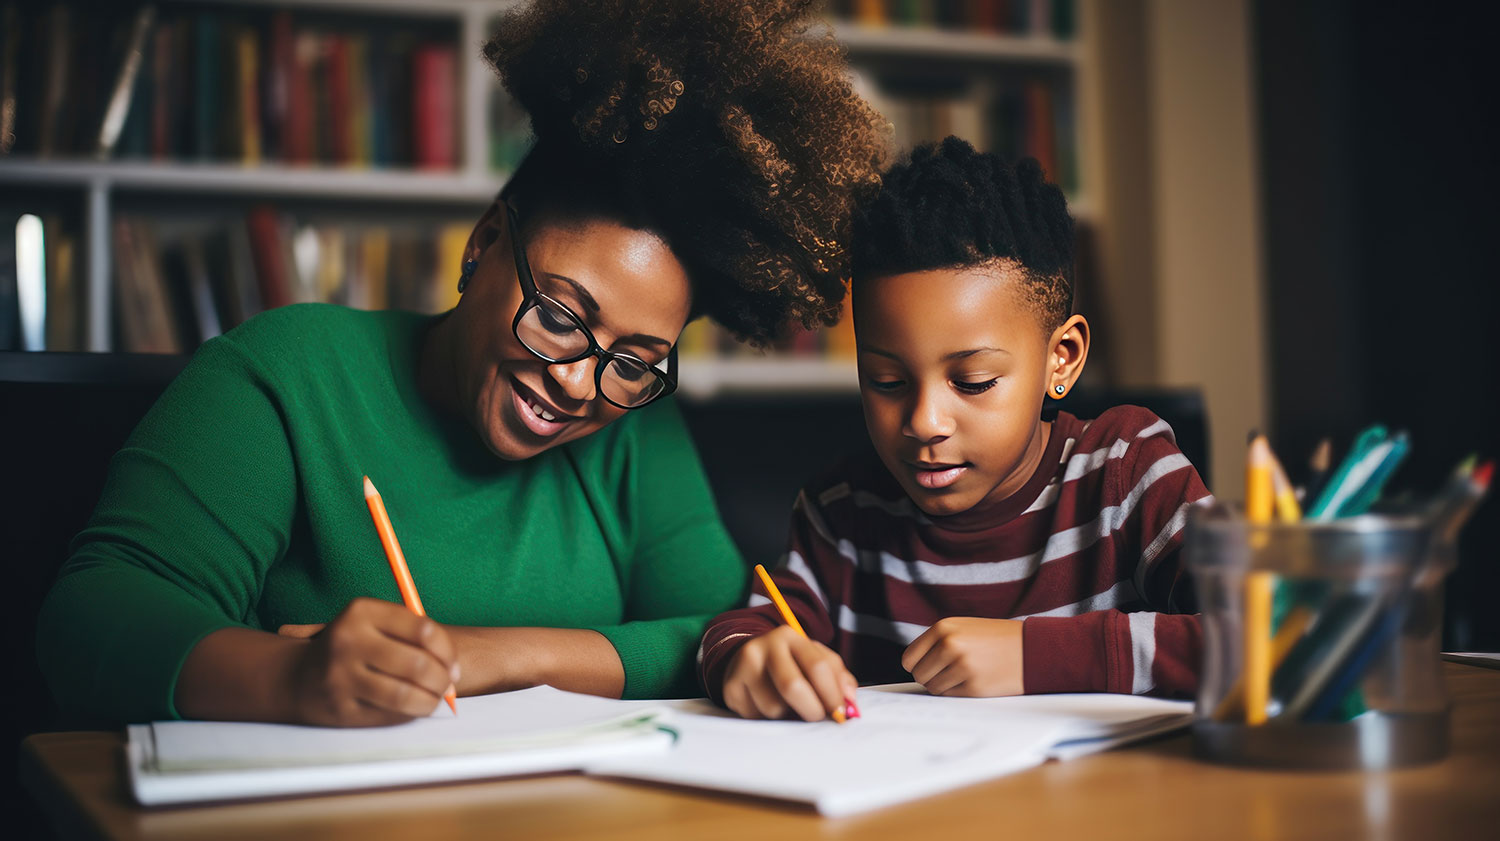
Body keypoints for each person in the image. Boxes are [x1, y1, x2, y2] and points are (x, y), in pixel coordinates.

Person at [36, 0, 887, 727]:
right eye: (559, 315)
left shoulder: (638, 425)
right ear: (484, 245)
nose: (581, 383)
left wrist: (489, 656)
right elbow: (89, 618)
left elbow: (716, 627)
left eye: (636, 358)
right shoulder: (290, 375)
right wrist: (286, 678)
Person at [700, 137, 1212, 722]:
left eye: (972, 381)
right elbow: (750, 630)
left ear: (1061, 358)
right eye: (887, 381)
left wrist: (1033, 655)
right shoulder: (840, 514)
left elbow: (1277, 635)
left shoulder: (1126, 470)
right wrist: (747, 657)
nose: (923, 422)